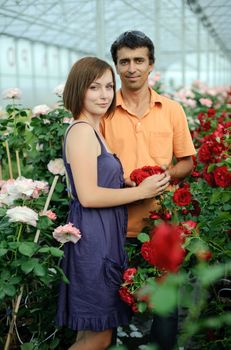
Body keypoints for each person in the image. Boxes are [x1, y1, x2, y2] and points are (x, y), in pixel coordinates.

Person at [56, 56, 170, 350]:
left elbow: (96, 183)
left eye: (109, 86)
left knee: (91, 331)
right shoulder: (81, 131)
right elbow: (89, 195)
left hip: (103, 236)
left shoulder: (94, 130)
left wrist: (125, 184)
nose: (104, 94)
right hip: (93, 239)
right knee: (100, 335)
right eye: (94, 87)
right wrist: (140, 192)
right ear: (78, 90)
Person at [101, 31, 196, 350]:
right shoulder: (103, 112)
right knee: (110, 307)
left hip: (160, 225)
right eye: (124, 61)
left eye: (138, 60)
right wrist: (124, 183)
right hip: (113, 225)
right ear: (115, 66)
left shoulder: (171, 109)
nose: (131, 68)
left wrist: (163, 177)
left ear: (151, 64)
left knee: (166, 309)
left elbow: (187, 161)